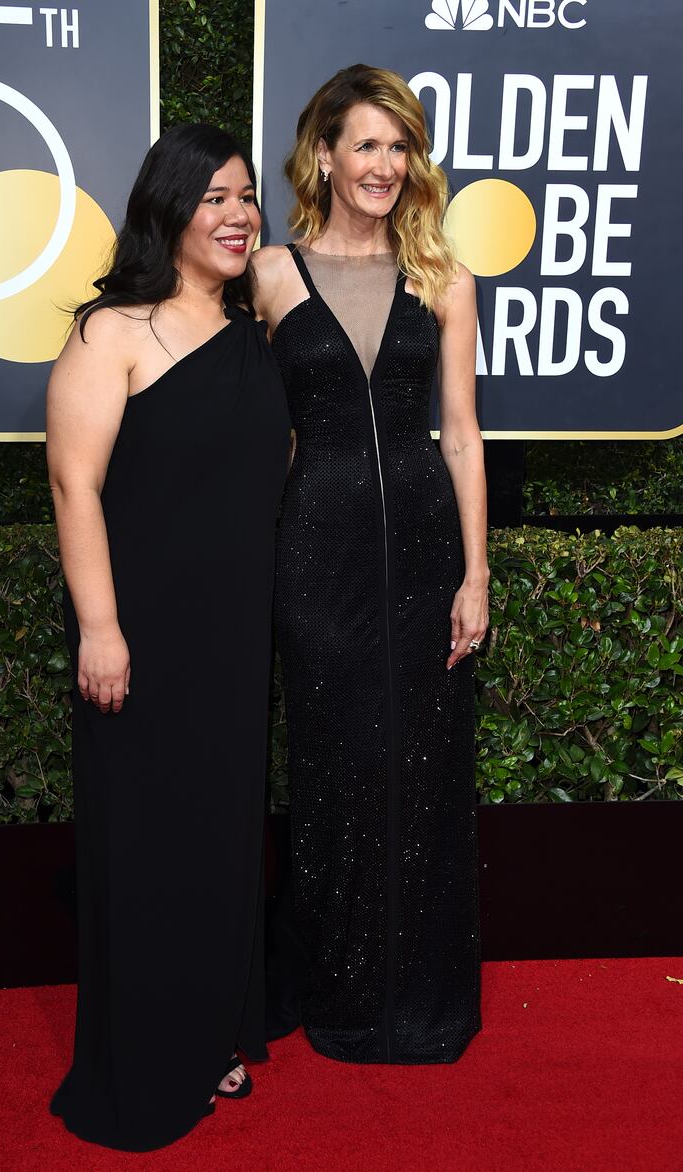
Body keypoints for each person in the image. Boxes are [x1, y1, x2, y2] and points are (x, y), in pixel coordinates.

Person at [46, 124, 290, 1150]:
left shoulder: (254, 335)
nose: (237, 215)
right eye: (215, 199)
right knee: (145, 845)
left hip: (232, 634)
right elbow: (74, 484)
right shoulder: (112, 334)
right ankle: (147, 1055)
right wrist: (101, 627)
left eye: (246, 198)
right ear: (169, 210)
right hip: (139, 632)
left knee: (220, 834)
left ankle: (213, 1029)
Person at [253, 64, 489, 1065]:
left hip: (425, 552)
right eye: (365, 145)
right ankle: (342, 994)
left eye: (399, 147)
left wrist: (473, 575)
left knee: (424, 773)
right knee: (334, 769)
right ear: (323, 155)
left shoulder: (442, 277)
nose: (384, 165)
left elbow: (463, 437)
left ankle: (422, 1001)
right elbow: (262, 437)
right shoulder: (266, 274)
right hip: (312, 554)